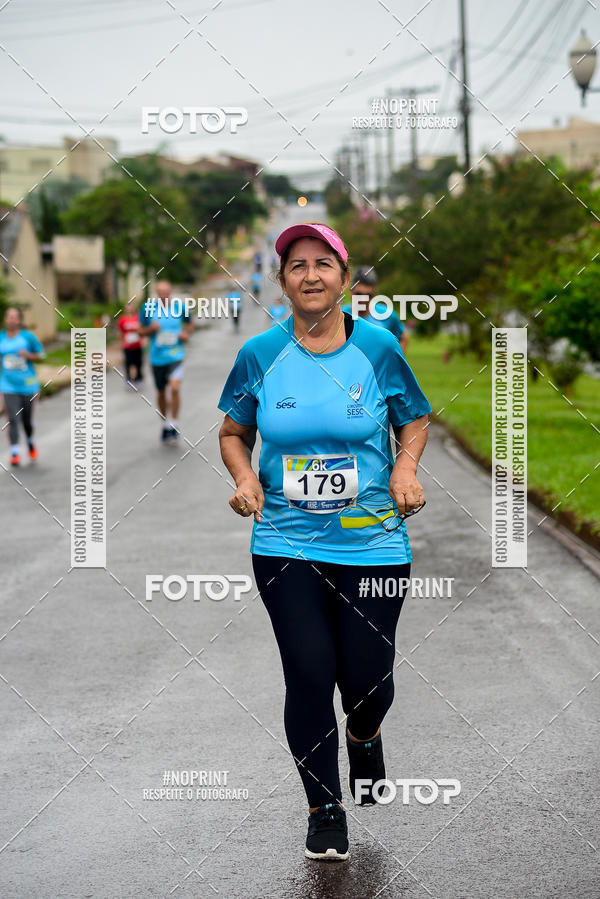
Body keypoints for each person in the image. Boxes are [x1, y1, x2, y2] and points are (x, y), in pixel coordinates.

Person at [217, 222, 431, 861]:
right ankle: (324, 808)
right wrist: (245, 475)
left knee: (367, 681)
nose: (311, 276)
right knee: (309, 674)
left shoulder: (379, 347)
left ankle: (364, 735)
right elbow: (233, 431)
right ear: (281, 280)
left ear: (343, 276)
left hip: (372, 540)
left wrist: (404, 467)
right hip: (286, 541)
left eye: (324, 264)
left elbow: (413, 417)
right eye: (297, 265)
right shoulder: (260, 353)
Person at [138, 281, 194, 444]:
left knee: (175, 388)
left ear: (170, 292)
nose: (163, 295)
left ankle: (174, 424)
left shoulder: (179, 307)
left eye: (166, 292)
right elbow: (140, 330)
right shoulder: (148, 309)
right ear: (156, 293)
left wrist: (185, 333)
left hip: (176, 355)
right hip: (157, 357)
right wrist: (150, 330)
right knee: (162, 392)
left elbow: (190, 323)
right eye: (160, 292)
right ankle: (165, 424)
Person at [0, 306, 45, 466]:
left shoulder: (27, 337)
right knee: (12, 418)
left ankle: (30, 441)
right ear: (5, 319)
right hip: (8, 386)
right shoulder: (1, 338)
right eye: (9, 316)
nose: (11, 319)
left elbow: (42, 355)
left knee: (26, 421)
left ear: (19, 320)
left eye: (14, 317)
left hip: (28, 385)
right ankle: (15, 452)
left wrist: (29, 355)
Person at [346, 266, 409, 353]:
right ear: (351, 291)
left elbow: (403, 338)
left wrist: (395, 363)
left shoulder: (387, 315)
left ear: (374, 293)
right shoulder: (340, 315)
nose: (363, 299)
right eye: (359, 294)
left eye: (368, 295)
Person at [117, 300, 144, 384]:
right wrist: (122, 342)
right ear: (125, 308)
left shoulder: (138, 318)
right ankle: (128, 379)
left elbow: (142, 329)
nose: (130, 308)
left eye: (131, 306)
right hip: (127, 345)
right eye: (128, 306)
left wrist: (143, 340)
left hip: (138, 344)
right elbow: (120, 331)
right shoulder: (122, 320)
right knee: (129, 362)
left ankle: (139, 378)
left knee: (138, 362)